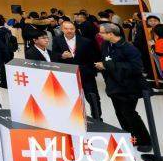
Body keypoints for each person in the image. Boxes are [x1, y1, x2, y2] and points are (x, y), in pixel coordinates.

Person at [95, 23, 152, 152]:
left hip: (128, 87)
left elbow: (136, 67)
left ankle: (145, 141)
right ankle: (131, 137)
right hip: (113, 86)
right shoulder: (106, 45)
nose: (99, 35)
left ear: (111, 34)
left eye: (102, 32)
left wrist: (107, 66)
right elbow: (106, 60)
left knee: (130, 114)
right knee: (120, 113)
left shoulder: (129, 48)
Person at [52, 20, 103, 120]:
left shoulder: (86, 41)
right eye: (66, 29)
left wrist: (91, 72)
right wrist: (61, 56)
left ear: (75, 29)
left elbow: (93, 57)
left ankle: (97, 119)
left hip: (86, 75)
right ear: (62, 29)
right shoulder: (57, 40)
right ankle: (74, 119)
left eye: (71, 28)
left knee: (93, 98)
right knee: (70, 98)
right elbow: (54, 55)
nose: (69, 31)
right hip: (68, 75)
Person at [0, 15, 17, 88]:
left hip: (1, 52)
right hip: (9, 51)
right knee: (8, 66)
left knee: (2, 67)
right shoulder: (7, 30)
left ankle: (4, 83)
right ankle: (9, 81)